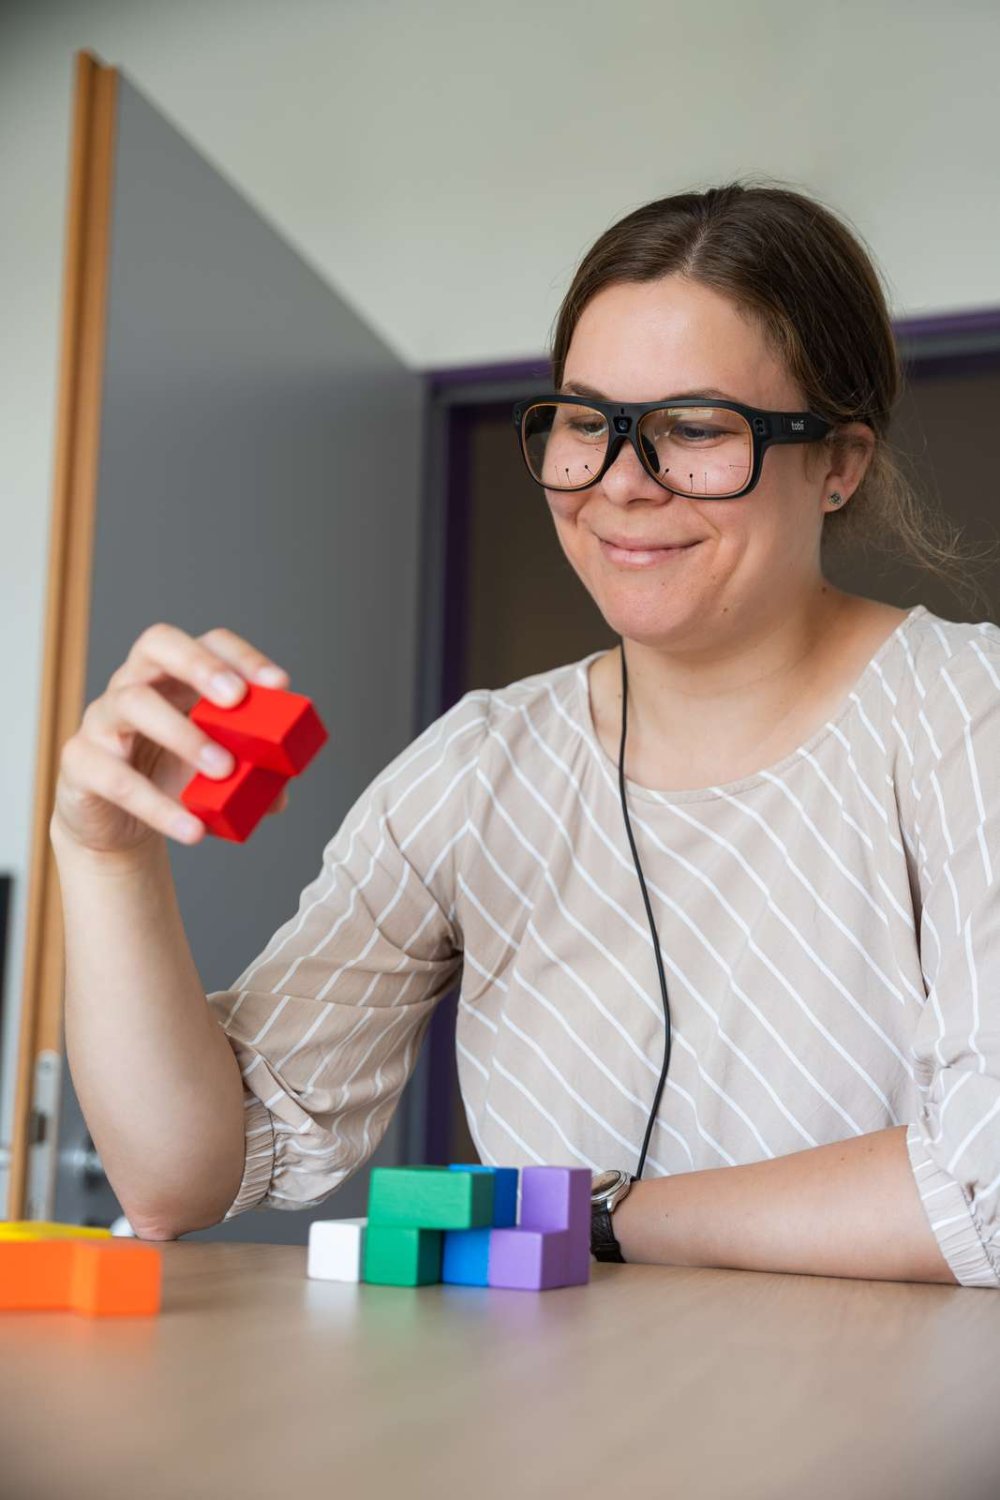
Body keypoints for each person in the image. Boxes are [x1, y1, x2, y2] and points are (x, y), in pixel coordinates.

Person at [51, 181, 1000, 1288]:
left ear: (837, 461)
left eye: (694, 429)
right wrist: (108, 856)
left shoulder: (963, 711)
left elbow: (986, 1194)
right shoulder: (476, 766)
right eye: (587, 424)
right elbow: (183, 1176)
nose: (621, 484)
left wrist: (602, 1218)